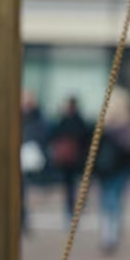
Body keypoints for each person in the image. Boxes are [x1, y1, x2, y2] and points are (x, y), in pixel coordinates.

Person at [95, 88, 130, 253]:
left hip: (106, 168)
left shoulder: (104, 124)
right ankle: (112, 232)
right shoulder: (128, 124)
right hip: (121, 168)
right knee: (115, 199)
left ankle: (108, 231)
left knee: (107, 199)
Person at [47, 96, 90, 227]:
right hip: (69, 161)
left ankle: (74, 210)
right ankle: (71, 211)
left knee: (74, 187)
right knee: (71, 187)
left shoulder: (73, 120)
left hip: (76, 159)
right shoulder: (66, 120)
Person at [20, 90, 49, 234]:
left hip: (28, 154)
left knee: (23, 189)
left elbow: (42, 132)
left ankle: (23, 219)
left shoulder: (37, 115)